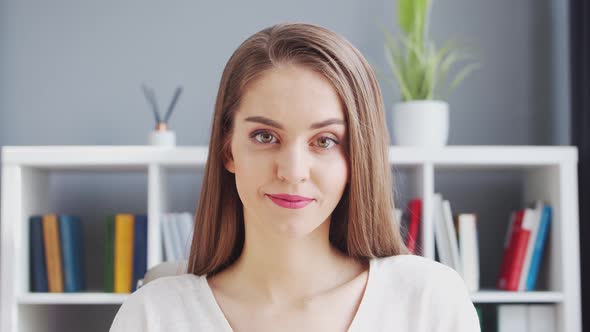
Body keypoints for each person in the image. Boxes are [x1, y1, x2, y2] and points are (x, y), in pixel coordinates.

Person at [110, 22, 481, 332]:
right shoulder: (152, 316)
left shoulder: (430, 302)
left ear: (357, 157)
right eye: (265, 136)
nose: (292, 171)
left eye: (325, 141)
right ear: (228, 149)